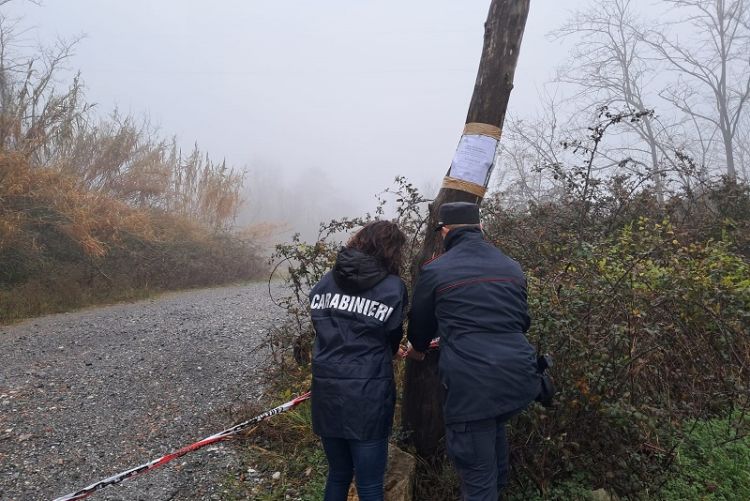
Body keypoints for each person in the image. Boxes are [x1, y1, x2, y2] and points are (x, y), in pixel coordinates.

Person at [406, 201, 540, 501]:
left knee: (478, 478)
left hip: (472, 387)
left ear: (445, 231)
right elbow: (522, 321)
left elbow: (419, 332)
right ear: (480, 228)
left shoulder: (436, 271)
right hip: (518, 379)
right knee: (493, 456)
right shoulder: (511, 266)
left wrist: (417, 348)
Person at [309, 220, 408, 501]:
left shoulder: (326, 281)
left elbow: (321, 326)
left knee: (338, 474)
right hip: (368, 393)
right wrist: (389, 351)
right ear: (392, 251)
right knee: (369, 485)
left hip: (327, 387)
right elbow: (391, 335)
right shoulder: (392, 287)